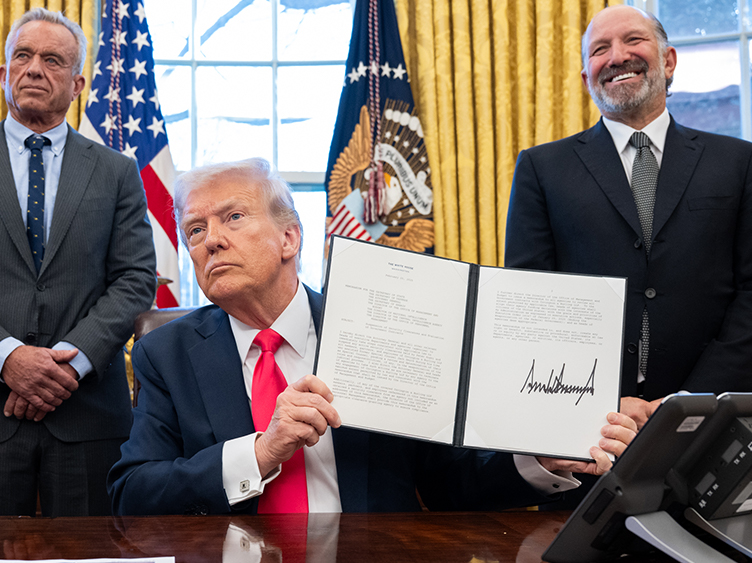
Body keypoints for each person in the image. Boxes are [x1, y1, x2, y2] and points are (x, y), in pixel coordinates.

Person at [108, 158, 637, 515]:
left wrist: (540, 459)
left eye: (234, 217)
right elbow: (132, 492)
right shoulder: (165, 352)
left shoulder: (382, 327)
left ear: (289, 238)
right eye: (195, 230)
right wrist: (262, 452)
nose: (211, 241)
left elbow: (448, 481)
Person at [0, 8, 156, 516]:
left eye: (53, 60)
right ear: (4, 73)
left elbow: (135, 280)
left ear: (77, 84)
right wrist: (10, 361)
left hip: (88, 413)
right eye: (22, 56)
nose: (34, 69)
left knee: (94, 552)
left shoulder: (118, 172)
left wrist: (67, 364)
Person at [505, 5, 752, 430]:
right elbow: (532, 305)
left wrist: (689, 402)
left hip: (714, 420)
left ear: (669, 61)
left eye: (633, 40)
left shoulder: (738, 162)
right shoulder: (541, 169)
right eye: (600, 49)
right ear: (587, 78)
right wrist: (596, 400)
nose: (617, 56)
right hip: (590, 425)